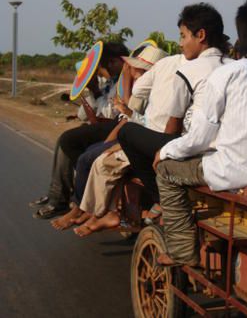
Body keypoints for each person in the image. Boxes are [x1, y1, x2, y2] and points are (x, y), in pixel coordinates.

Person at [155, 0, 247, 267]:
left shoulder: (227, 74)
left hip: (229, 171)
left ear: (241, 32)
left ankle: (181, 251)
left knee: (165, 171)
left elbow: (200, 137)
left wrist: (165, 150)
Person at [117, 2, 230, 220]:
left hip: (196, 150)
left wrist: (165, 153)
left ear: (201, 36)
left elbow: (173, 125)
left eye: (183, 36)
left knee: (127, 132)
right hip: (225, 150)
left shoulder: (187, 70)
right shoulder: (233, 66)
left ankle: (162, 198)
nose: (181, 44)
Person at [51, 45, 170, 231]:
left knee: (94, 158)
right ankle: (88, 205)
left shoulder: (148, 87)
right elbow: (130, 118)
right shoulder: (134, 86)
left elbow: (135, 121)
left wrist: (113, 137)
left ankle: (95, 210)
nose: (132, 71)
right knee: (88, 154)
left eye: (135, 67)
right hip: (129, 129)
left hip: (136, 133)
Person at [30, 42, 129, 219]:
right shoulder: (110, 83)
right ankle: (58, 194)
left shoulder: (125, 80)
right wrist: (94, 91)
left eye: (104, 66)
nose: (103, 71)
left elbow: (113, 111)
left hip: (118, 124)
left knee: (68, 139)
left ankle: (67, 194)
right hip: (106, 123)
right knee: (65, 141)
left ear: (114, 62)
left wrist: (96, 93)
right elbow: (86, 114)